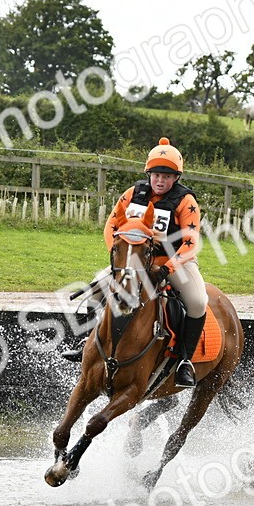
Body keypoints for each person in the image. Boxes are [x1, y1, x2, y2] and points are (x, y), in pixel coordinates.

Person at [61, 137, 208, 389]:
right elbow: (112, 227)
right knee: (95, 290)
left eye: (167, 176)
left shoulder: (186, 201)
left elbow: (191, 242)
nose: (160, 181)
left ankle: (185, 362)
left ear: (176, 178)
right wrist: (120, 258)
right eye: (156, 175)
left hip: (173, 262)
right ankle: (87, 343)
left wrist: (166, 269)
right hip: (133, 261)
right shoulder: (132, 194)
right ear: (149, 174)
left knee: (197, 302)